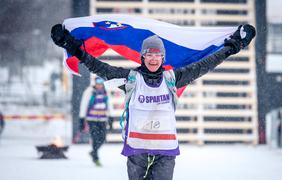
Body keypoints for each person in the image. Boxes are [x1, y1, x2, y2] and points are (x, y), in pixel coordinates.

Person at [51, 23, 256, 179]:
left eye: (158, 54)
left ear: (162, 58)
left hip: (165, 152)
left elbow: (204, 65)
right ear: (142, 57)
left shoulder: (172, 79)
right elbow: (100, 68)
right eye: (149, 54)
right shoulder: (131, 79)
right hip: (137, 151)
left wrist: (232, 47)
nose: (153, 58)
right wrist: (74, 48)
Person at [79, 76, 110, 166]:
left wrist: (110, 116)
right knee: (95, 138)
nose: (99, 85)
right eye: (98, 83)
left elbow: (109, 104)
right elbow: (83, 105)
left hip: (103, 119)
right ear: (95, 83)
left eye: (101, 83)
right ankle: (95, 157)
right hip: (92, 119)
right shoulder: (89, 91)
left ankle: (93, 152)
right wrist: (81, 119)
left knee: (103, 138)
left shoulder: (105, 92)